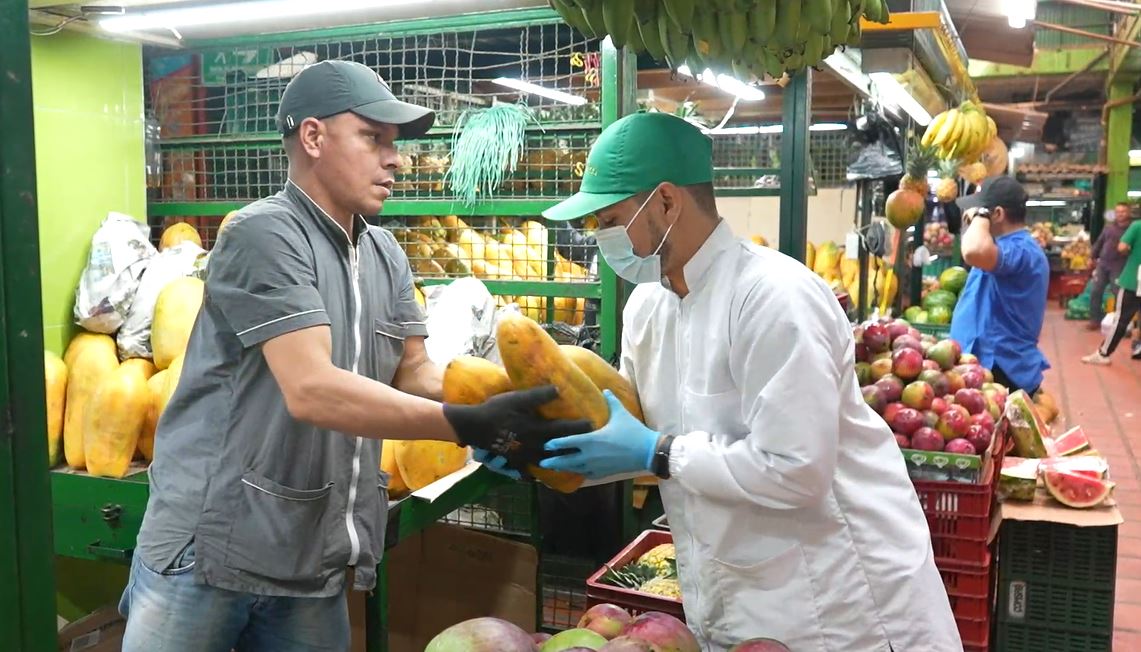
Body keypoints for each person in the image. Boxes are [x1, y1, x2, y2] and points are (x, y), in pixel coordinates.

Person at [119, 60, 589, 652]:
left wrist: (508, 401)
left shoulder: (384, 251)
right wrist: (463, 425)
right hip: (212, 550)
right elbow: (311, 386)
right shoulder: (264, 235)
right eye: (374, 138)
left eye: (395, 144)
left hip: (312, 555)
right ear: (313, 137)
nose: (395, 158)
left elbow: (413, 371)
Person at [481, 111, 962, 651]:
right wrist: (544, 455)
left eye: (609, 219)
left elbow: (795, 470)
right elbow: (632, 439)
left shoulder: (774, 298)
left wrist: (655, 453)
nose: (599, 239)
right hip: (738, 604)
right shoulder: (648, 309)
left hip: (842, 607)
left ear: (665, 202)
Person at [949, 176, 1051, 396]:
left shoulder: (1022, 250)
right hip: (986, 363)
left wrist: (980, 216)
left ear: (997, 214)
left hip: (1003, 369)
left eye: (981, 211)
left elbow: (972, 251)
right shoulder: (1000, 246)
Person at [1083, 214, 1141, 365]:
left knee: (1121, 320)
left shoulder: (1137, 226)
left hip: (1133, 281)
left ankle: (1103, 353)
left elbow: (1122, 247)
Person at [1085, 202, 1134, 331]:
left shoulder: (1133, 229)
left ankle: (1121, 323)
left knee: (1118, 293)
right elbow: (1099, 242)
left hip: (1120, 266)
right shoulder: (1108, 228)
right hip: (1103, 264)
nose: (1120, 214)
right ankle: (1094, 320)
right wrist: (1092, 257)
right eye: (1118, 212)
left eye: (1123, 211)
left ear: (1128, 213)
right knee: (1095, 291)